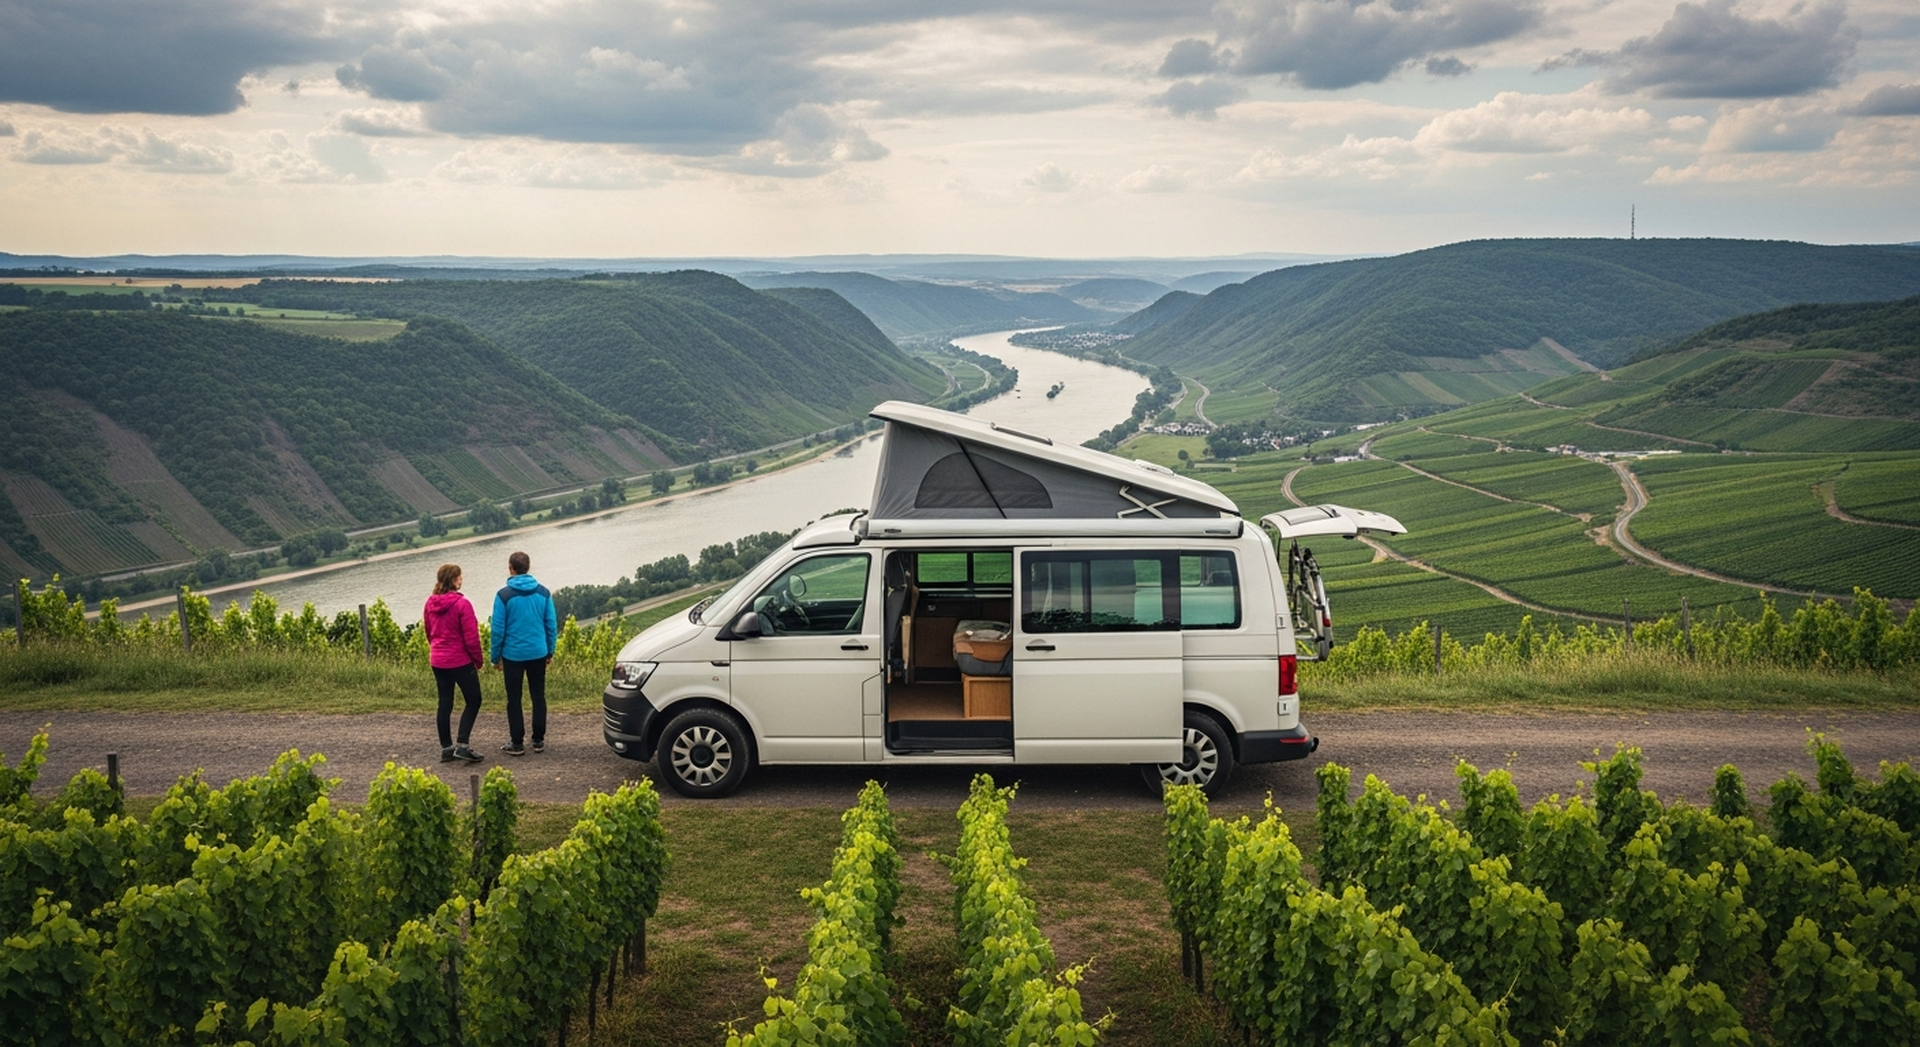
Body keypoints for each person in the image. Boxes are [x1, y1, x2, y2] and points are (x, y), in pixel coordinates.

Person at [491, 550, 557, 755]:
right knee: (538, 696)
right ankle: (538, 740)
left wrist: (496, 656)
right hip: (538, 652)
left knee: (514, 699)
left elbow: (498, 629)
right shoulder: (544, 593)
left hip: (513, 656)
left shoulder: (503, 596)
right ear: (528, 567)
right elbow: (551, 625)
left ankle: (517, 743)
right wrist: (550, 651)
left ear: (511, 569)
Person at [424, 564, 485, 763]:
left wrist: (437, 649)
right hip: (459, 660)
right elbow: (471, 638)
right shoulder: (462, 604)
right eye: (460, 577)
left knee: (445, 702)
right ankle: (463, 745)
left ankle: (447, 748)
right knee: (474, 700)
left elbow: (428, 632)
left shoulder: (429, 603)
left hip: (438, 660)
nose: (462, 580)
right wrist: (477, 660)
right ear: (454, 580)